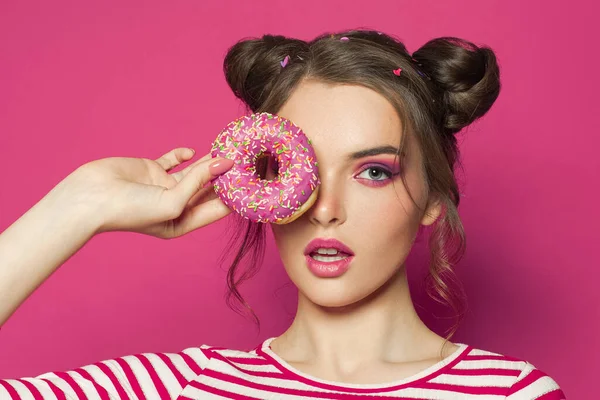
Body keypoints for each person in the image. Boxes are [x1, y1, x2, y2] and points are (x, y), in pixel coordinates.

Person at [0, 30, 565, 399]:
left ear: (433, 201)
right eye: (300, 170)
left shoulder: (513, 393)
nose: (324, 209)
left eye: (374, 171)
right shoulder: (179, 386)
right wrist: (81, 203)